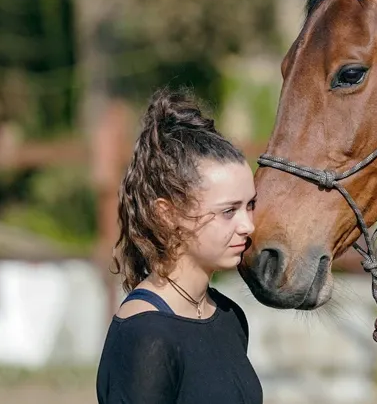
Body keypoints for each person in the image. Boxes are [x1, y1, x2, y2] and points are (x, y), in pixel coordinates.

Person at [96, 87, 263, 404]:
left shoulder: (230, 317)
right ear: (168, 214)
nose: (248, 225)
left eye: (250, 205)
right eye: (229, 211)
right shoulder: (146, 336)